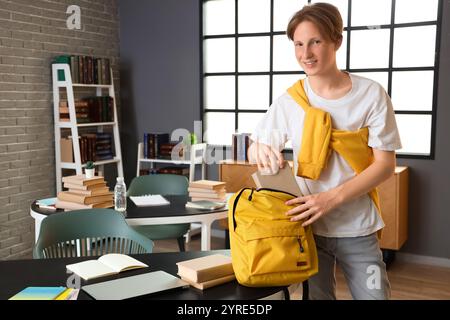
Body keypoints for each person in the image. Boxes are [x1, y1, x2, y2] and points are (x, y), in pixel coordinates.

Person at [248, 2, 401, 300]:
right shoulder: (290, 100)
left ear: (337, 41)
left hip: (357, 227)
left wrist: (329, 199)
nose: (306, 54)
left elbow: (384, 165)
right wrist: (259, 149)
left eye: (315, 41)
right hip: (307, 230)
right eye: (299, 44)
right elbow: (258, 145)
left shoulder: (371, 94)